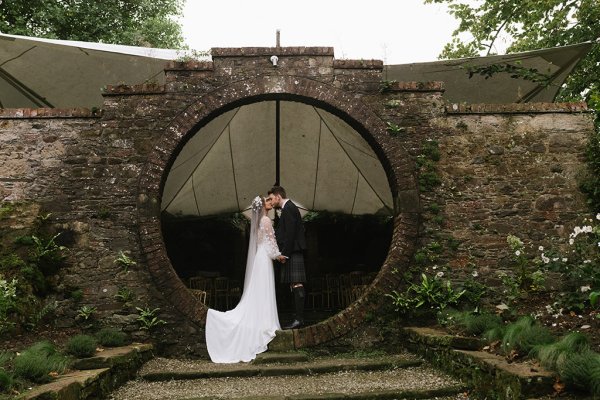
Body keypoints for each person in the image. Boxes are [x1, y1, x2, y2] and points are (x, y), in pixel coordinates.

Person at [205, 196, 281, 363]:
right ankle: (265, 323)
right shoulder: (266, 220)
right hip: (265, 258)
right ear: (263, 207)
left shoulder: (257, 222)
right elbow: (271, 243)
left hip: (259, 258)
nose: (270, 202)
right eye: (267, 201)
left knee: (259, 290)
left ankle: (260, 320)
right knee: (263, 290)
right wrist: (278, 256)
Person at [268, 186, 307, 329]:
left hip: (293, 251)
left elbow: (290, 234)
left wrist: (285, 253)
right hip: (293, 251)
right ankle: (297, 317)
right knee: (294, 284)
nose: (271, 202)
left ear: (278, 196)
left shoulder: (289, 208)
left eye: (272, 198)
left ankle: (299, 319)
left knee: (297, 283)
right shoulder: (288, 208)